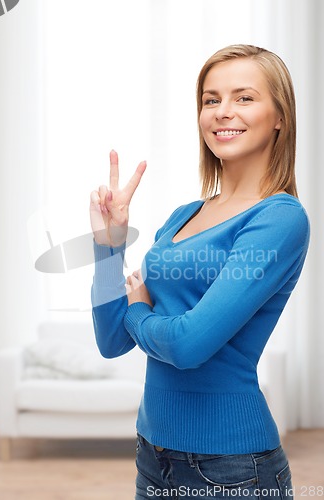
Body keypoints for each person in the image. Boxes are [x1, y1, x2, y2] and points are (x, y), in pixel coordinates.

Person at [89, 44, 309, 500]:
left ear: (279, 116)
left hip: (231, 469)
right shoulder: (183, 215)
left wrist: (138, 312)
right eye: (211, 100)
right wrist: (109, 246)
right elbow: (112, 342)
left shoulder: (279, 219)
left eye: (244, 97)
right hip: (153, 453)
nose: (223, 112)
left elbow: (188, 345)